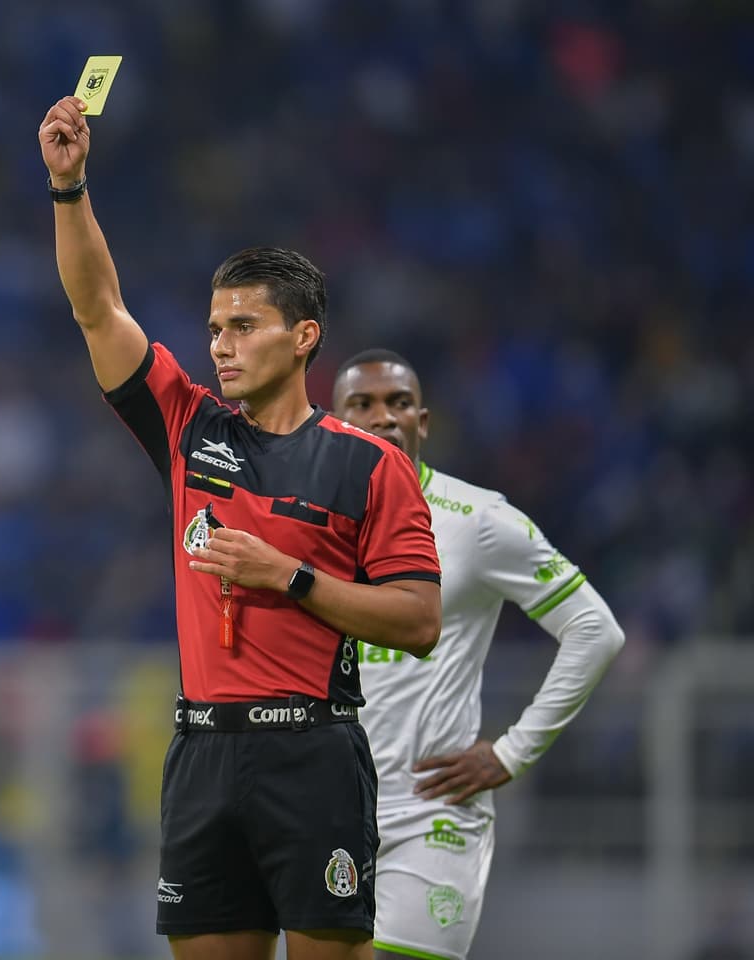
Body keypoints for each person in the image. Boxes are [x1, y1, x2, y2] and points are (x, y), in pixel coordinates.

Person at [40, 96, 443, 960]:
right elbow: (98, 309)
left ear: (304, 338)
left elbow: (417, 622)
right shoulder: (189, 428)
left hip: (315, 754)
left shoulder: (372, 465)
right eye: (215, 327)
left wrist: (287, 575)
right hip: (202, 754)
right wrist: (69, 189)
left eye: (245, 327)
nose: (222, 345)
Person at [331, 348, 626, 960]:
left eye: (399, 402)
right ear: (333, 423)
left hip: (431, 812)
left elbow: (596, 630)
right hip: (324, 810)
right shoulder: (309, 526)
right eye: (362, 404)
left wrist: (513, 752)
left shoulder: (478, 520)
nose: (383, 416)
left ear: (424, 421)